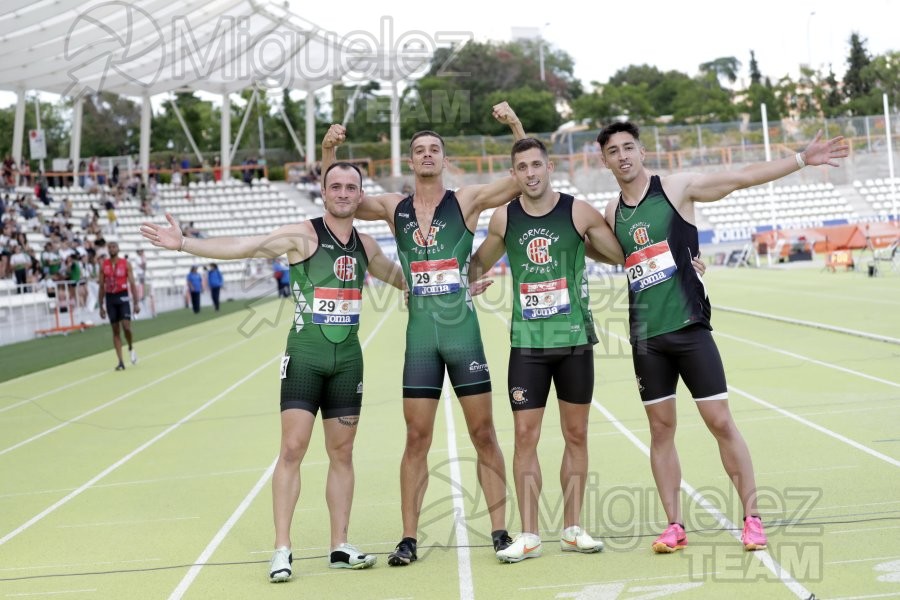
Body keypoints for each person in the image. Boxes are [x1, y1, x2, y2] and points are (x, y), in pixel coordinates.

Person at [140, 161, 406, 582]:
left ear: (360, 195)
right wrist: (185, 243)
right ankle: (282, 549)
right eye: (334, 186)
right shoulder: (302, 235)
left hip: (348, 361)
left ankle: (340, 544)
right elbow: (245, 246)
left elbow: (404, 280)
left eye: (350, 187)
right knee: (292, 450)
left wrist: (460, 282)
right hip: (304, 358)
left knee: (342, 453)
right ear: (323, 192)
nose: (342, 193)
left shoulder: (366, 245)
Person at [596, 122, 849, 553]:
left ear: (641, 151)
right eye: (613, 151)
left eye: (628, 147)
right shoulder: (610, 211)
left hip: (690, 328)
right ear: (604, 161)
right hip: (646, 337)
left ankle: (752, 518)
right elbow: (606, 250)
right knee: (661, 430)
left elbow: (740, 178)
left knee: (719, 421)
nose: (622, 156)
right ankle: (673, 526)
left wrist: (803, 159)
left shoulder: (676, 188)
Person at [321, 101, 526, 565]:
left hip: (462, 335)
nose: (428, 155)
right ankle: (409, 539)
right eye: (420, 150)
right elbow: (339, 196)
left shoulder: (468, 199)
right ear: (410, 162)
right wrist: (328, 150)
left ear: (444, 159)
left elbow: (518, 180)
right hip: (420, 342)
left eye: (435, 149)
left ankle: (499, 531)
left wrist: (514, 125)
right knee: (416, 438)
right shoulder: (395, 208)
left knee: (484, 432)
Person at [469, 137, 624, 562]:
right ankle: (530, 534)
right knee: (525, 437)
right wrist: (469, 279)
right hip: (528, 346)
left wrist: (582, 242)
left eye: (537, 164)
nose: (531, 173)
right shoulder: (505, 217)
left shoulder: (577, 211)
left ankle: (573, 528)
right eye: (522, 167)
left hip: (574, 341)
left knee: (576, 434)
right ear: (514, 174)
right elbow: (479, 261)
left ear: (549, 166)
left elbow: (619, 254)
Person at [97, 241, 140, 370]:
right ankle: (120, 361)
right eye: (109, 247)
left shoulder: (125, 264)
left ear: (118, 249)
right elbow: (101, 286)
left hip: (123, 296)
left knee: (126, 327)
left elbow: (132, 284)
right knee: (115, 330)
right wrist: (101, 306)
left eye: (114, 247)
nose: (112, 249)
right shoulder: (103, 265)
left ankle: (131, 346)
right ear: (107, 250)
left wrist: (136, 303)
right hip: (110, 298)